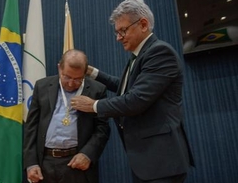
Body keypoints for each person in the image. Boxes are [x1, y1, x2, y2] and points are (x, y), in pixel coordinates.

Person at [71, 0, 194, 183]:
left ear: (143, 24)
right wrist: (93, 73)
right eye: (117, 32)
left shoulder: (159, 52)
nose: (118, 38)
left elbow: (136, 99)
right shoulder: (140, 55)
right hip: (149, 160)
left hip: (161, 160)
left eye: (122, 30)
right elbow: (125, 86)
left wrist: (94, 106)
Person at [23, 49, 110, 183]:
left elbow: (102, 129)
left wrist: (87, 154)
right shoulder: (42, 86)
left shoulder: (96, 90)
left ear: (85, 73)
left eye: (77, 79)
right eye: (67, 77)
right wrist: (31, 163)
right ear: (59, 68)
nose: (70, 83)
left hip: (77, 162)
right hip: (44, 162)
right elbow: (31, 127)